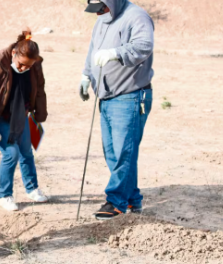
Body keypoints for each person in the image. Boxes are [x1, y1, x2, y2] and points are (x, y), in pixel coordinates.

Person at [80, 0, 154, 220]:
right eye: (96, 10)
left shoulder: (136, 16)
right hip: (106, 96)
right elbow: (93, 50)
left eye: (102, 8)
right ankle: (132, 200)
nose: (99, 13)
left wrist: (116, 53)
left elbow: (144, 45)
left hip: (130, 96)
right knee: (113, 153)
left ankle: (116, 202)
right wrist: (86, 75)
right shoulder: (101, 20)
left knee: (124, 152)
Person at [0, 30, 48, 211]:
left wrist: (40, 114)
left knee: (27, 152)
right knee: (11, 153)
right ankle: (5, 195)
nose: (23, 69)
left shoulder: (35, 64)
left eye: (28, 66)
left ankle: (32, 189)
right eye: (21, 65)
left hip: (21, 114)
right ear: (14, 53)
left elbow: (40, 89)